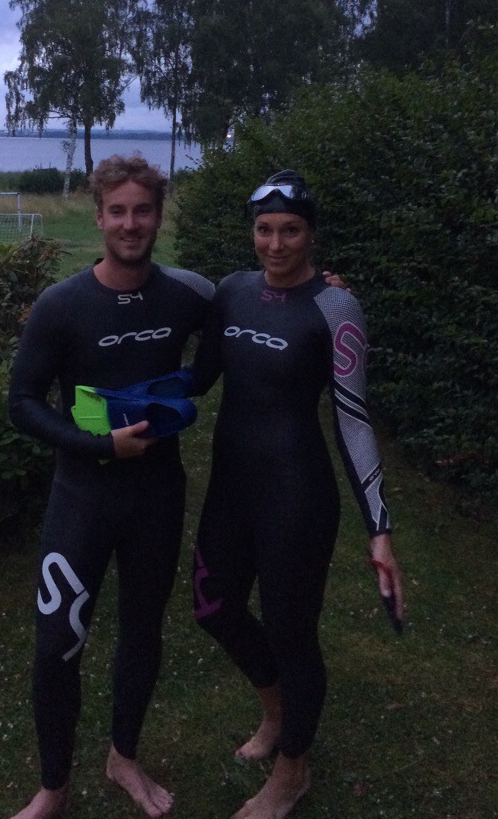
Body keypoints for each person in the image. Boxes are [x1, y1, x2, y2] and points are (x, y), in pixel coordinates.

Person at [6, 154, 215, 819]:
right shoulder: (62, 305)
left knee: (142, 633)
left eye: (142, 210)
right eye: (117, 211)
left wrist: (315, 286)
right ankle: (53, 787)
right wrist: (101, 446)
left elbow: (244, 320)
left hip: (156, 498)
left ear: (158, 216)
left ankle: (123, 756)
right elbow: (21, 403)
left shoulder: (186, 296)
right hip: (83, 499)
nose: (130, 224)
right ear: (98, 217)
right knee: (55, 646)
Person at [191, 170, 404, 819]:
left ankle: (292, 772)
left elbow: (352, 419)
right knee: (213, 608)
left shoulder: (335, 308)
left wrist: (379, 528)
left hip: (296, 496)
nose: (275, 244)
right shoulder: (232, 292)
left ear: (311, 234)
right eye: (264, 229)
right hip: (230, 489)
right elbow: (197, 380)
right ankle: (277, 711)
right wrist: (114, 403)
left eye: (290, 230)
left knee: (292, 634)